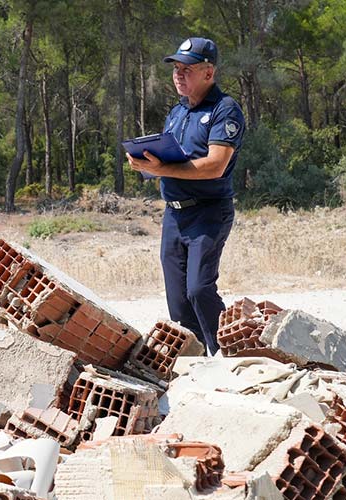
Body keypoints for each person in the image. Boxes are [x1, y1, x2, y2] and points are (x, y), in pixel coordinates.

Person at [126, 37, 245, 354]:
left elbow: (214, 166)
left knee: (199, 289)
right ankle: (197, 360)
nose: (179, 74)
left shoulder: (225, 110)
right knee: (178, 300)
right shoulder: (177, 112)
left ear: (209, 73)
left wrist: (163, 168)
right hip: (174, 216)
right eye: (176, 68)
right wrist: (146, 164)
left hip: (208, 212)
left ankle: (227, 355)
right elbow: (171, 162)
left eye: (187, 69)